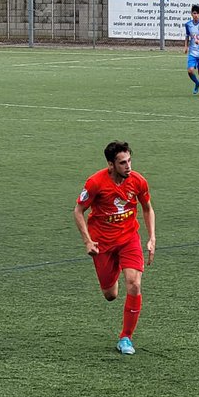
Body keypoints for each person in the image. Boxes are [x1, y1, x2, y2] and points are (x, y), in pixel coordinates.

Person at [73, 141, 156, 356]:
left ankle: (125, 337)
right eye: (122, 163)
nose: (128, 166)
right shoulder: (95, 183)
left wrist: (151, 238)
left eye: (129, 160)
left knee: (134, 284)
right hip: (103, 245)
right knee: (110, 294)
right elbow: (78, 210)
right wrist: (88, 242)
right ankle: (116, 270)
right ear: (111, 164)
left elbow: (147, 208)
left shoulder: (138, 181)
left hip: (129, 239)